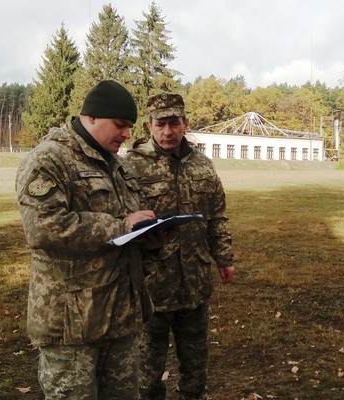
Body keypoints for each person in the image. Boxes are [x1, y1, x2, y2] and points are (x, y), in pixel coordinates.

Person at [16, 80, 157, 399]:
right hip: (72, 325)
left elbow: (126, 228)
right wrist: (121, 227)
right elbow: (44, 227)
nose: (127, 134)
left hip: (119, 319)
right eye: (120, 125)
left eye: (130, 127)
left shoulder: (118, 165)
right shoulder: (50, 160)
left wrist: (147, 239)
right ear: (91, 117)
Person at [124, 93, 235, 400]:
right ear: (148, 125)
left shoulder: (202, 164)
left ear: (186, 123)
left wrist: (224, 258)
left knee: (195, 373)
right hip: (151, 287)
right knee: (147, 376)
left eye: (174, 123)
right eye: (160, 124)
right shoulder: (131, 166)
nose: (168, 131)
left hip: (194, 285)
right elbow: (118, 221)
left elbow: (217, 215)